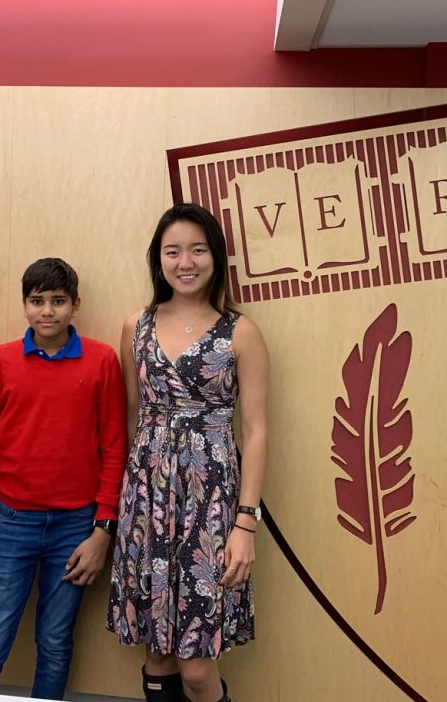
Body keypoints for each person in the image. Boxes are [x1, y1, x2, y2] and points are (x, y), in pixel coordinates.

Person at [107, 203, 269, 702]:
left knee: (197, 668)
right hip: (147, 502)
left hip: (211, 505)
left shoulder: (240, 332)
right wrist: (125, 510)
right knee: (157, 654)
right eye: (172, 251)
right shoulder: (136, 326)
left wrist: (245, 524)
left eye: (197, 250)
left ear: (215, 257)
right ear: (158, 260)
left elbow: (256, 432)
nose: (185, 262)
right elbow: (132, 418)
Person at [0, 257, 127, 700]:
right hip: (11, 523)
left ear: (76, 305)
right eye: (37, 301)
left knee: (54, 643)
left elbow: (114, 449)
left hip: (76, 527)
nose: (47, 311)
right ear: (24, 305)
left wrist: (102, 530)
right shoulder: (0, 363)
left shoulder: (102, 361)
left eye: (58, 301)